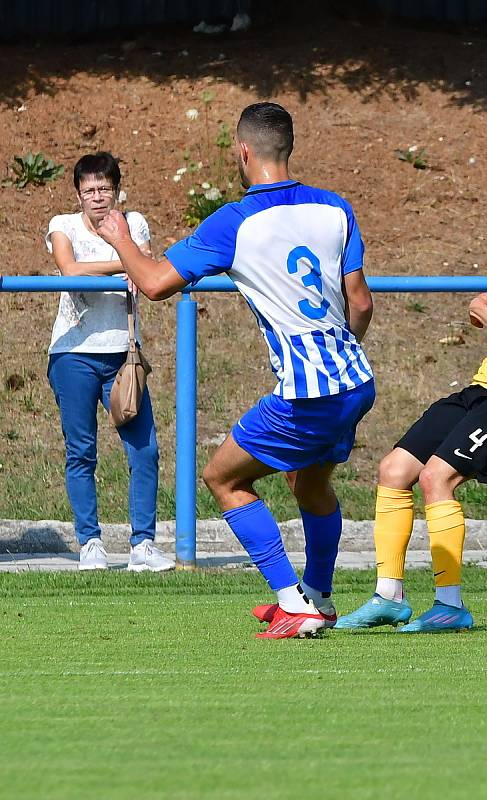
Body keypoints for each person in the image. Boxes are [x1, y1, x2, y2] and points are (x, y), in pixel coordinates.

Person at [97, 102, 374, 639]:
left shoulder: (235, 221)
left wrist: (119, 237)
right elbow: (359, 302)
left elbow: (154, 283)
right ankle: (317, 596)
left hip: (307, 393)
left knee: (223, 477)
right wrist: (337, 353)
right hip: (356, 380)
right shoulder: (335, 208)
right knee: (310, 482)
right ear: (287, 148)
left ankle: (294, 601)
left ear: (243, 152)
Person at [336, 150, 487, 633]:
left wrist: (480, 308)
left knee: (436, 479)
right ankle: (388, 596)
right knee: (393, 470)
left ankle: (450, 605)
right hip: (486, 383)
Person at [46, 151, 173, 572]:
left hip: (123, 354)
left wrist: (129, 265)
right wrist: (125, 264)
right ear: (78, 194)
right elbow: (69, 269)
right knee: (81, 451)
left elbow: (149, 268)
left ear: (116, 190)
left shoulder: (131, 223)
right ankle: (90, 543)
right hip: (73, 353)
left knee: (144, 449)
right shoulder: (61, 225)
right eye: (89, 190)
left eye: (104, 189)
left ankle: (143, 543)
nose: (97, 197)